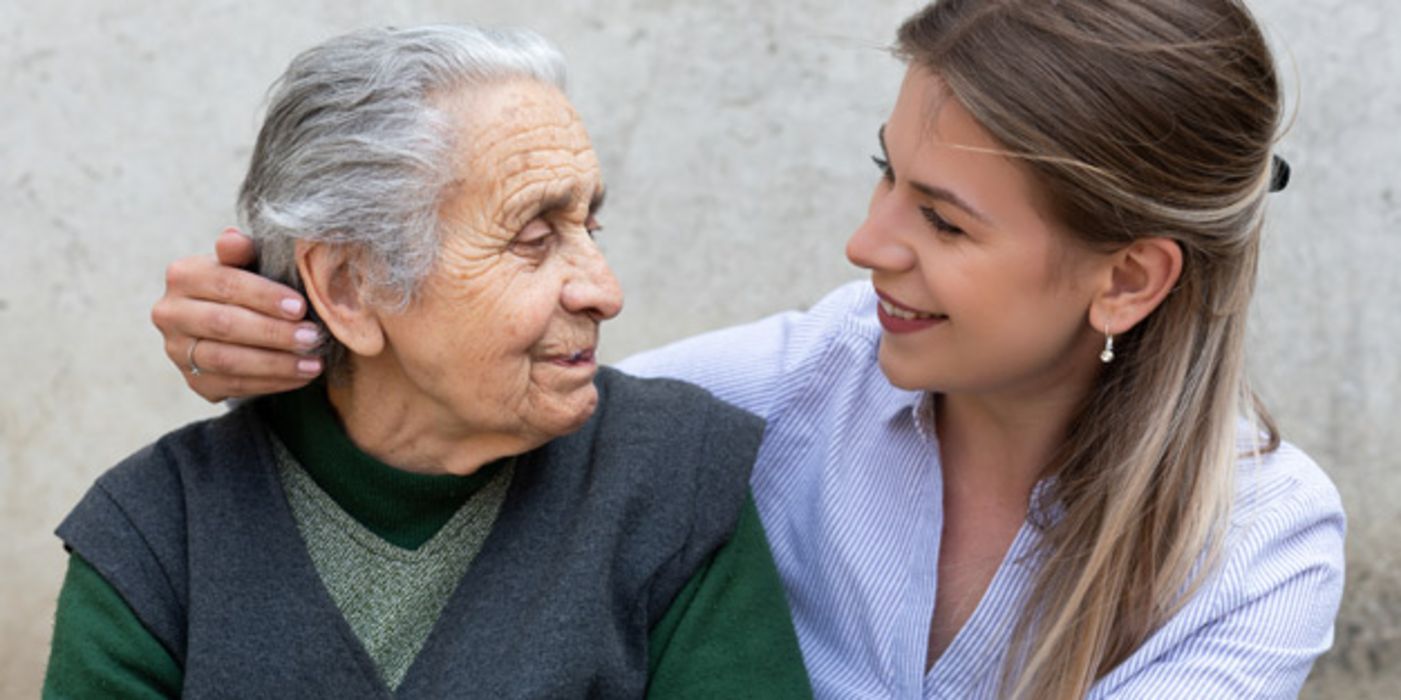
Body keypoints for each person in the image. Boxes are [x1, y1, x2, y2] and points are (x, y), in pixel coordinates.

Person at [147, 1, 1346, 698]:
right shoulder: (793, 387)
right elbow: (490, 386)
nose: (866, 241)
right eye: (888, 172)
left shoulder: (1257, 545)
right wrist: (292, 330)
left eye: (944, 219)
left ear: (1127, 276)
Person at [46, 25, 812, 699]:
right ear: (350, 287)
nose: (604, 291)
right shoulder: (158, 535)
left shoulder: (672, 480)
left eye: (589, 224)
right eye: (533, 239)